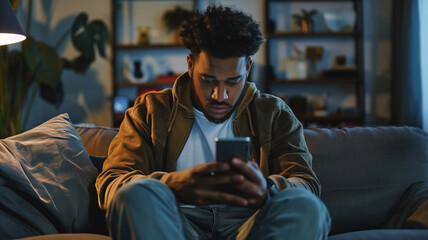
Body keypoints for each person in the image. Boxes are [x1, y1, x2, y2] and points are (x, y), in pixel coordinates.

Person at [96, 5, 331, 240]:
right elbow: (112, 182)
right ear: (190, 65)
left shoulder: (274, 113)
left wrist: (266, 190)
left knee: (306, 207)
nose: (220, 95)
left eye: (233, 81)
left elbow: (307, 185)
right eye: (208, 80)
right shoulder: (149, 111)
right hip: (176, 223)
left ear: (248, 69)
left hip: (251, 224)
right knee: (134, 194)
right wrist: (170, 186)